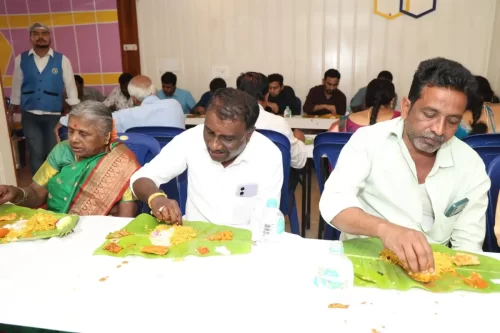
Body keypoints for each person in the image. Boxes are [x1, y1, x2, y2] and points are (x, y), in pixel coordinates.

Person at [319, 58, 490, 274]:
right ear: (406, 107)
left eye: (452, 121)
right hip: (367, 264)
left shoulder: (470, 164)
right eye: (429, 114)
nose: (439, 129)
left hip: (436, 274)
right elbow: (333, 203)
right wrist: (385, 230)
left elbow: (468, 244)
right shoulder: (369, 141)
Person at [130, 88, 283, 227]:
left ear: (248, 135)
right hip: (193, 239)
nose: (214, 145)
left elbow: (264, 222)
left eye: (227, 139)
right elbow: (141, 178)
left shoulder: (268, 155)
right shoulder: (191, 139)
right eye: (209, 132)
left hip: (244, 242)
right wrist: (156, 198)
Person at [0, 100, 140, 217]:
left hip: (95, 235)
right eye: (71, 131)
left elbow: (124, 222)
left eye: (83, 134)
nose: (73, 139)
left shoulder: (121, 162)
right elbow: (36, 193)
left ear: (106, 137)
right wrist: (15, 193)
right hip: (52, 227)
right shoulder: (62, 150)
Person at [8, 22, 79, 176]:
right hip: (30, 114)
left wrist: (75, 109)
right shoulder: (21, 59)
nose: (41, 37)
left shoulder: (62, 59)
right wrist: (11, 109)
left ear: (50, 37)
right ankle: (38, 190)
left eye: (44, 34)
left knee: (52, 152)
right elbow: (16, 85)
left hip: (53, 115)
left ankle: (54, 186)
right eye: (36, 34)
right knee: (36, 152)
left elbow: (70, 86)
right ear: (31, 38)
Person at [237, 72, 307, 195]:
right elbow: (299, 162)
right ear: (267, 95)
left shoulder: (227, 120)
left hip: (237, 188)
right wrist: (300, 141)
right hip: (272, 191)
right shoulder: (278, 123)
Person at [57, 75, 185, 136]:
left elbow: (91, 119)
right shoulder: (175, 105)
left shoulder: (125, 115)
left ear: (134, 99)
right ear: (155, 91)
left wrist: (63, 119)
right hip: (175, 165)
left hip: (141, 165)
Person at [331, 79, 400, 133]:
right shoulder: (402, 119)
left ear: (366, 98)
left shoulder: (344, 122)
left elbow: (327, 145)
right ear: (392, 100)